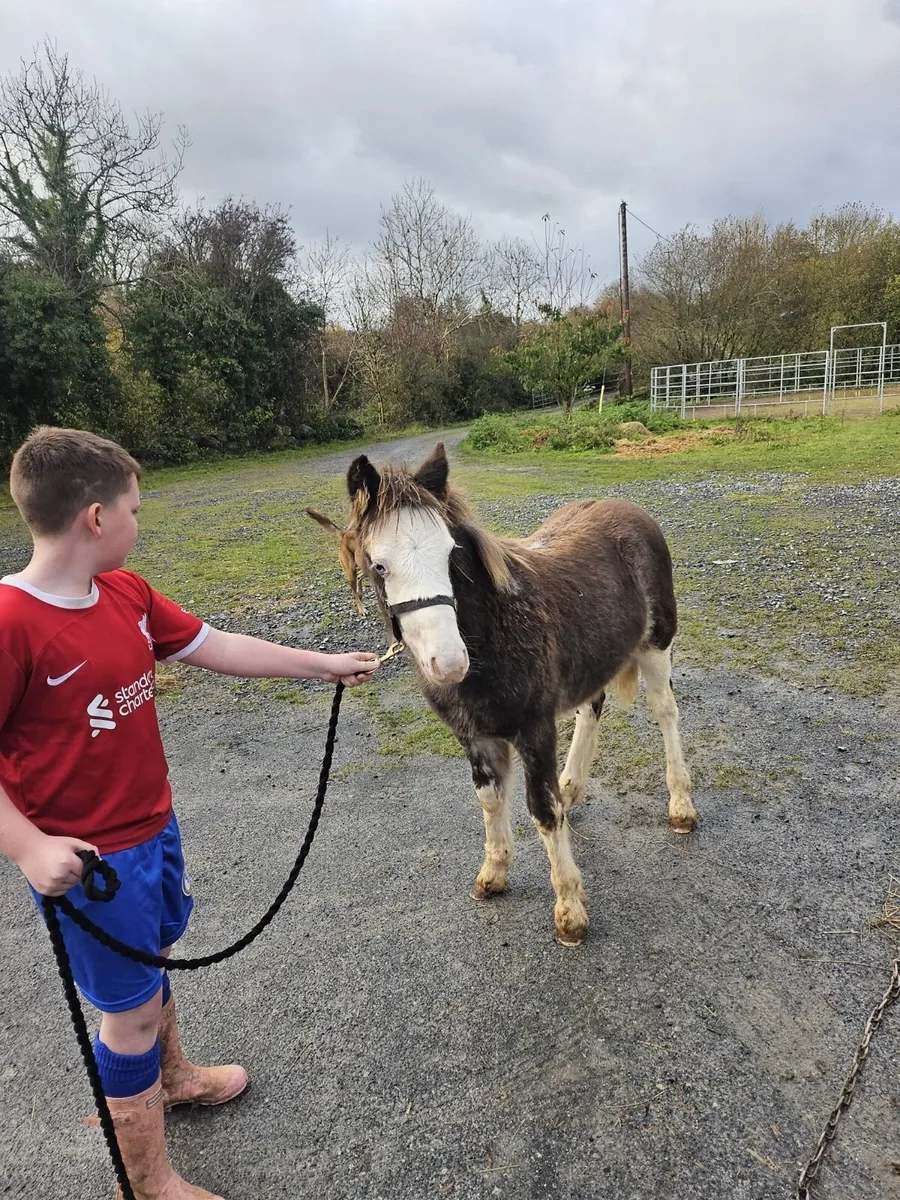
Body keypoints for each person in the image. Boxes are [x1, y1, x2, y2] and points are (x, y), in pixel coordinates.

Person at [0, 426, 379, 1199]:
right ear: (96, 519)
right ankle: (147, 1181)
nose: (142, 523)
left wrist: (323, 665)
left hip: (153, 833)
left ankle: (171, 1078)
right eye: (136, 510)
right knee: (126, 1016)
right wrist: (29, 846)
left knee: (154, 969)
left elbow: (219, 646)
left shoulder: (126, 595)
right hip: (92, 869)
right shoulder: (10, 622)